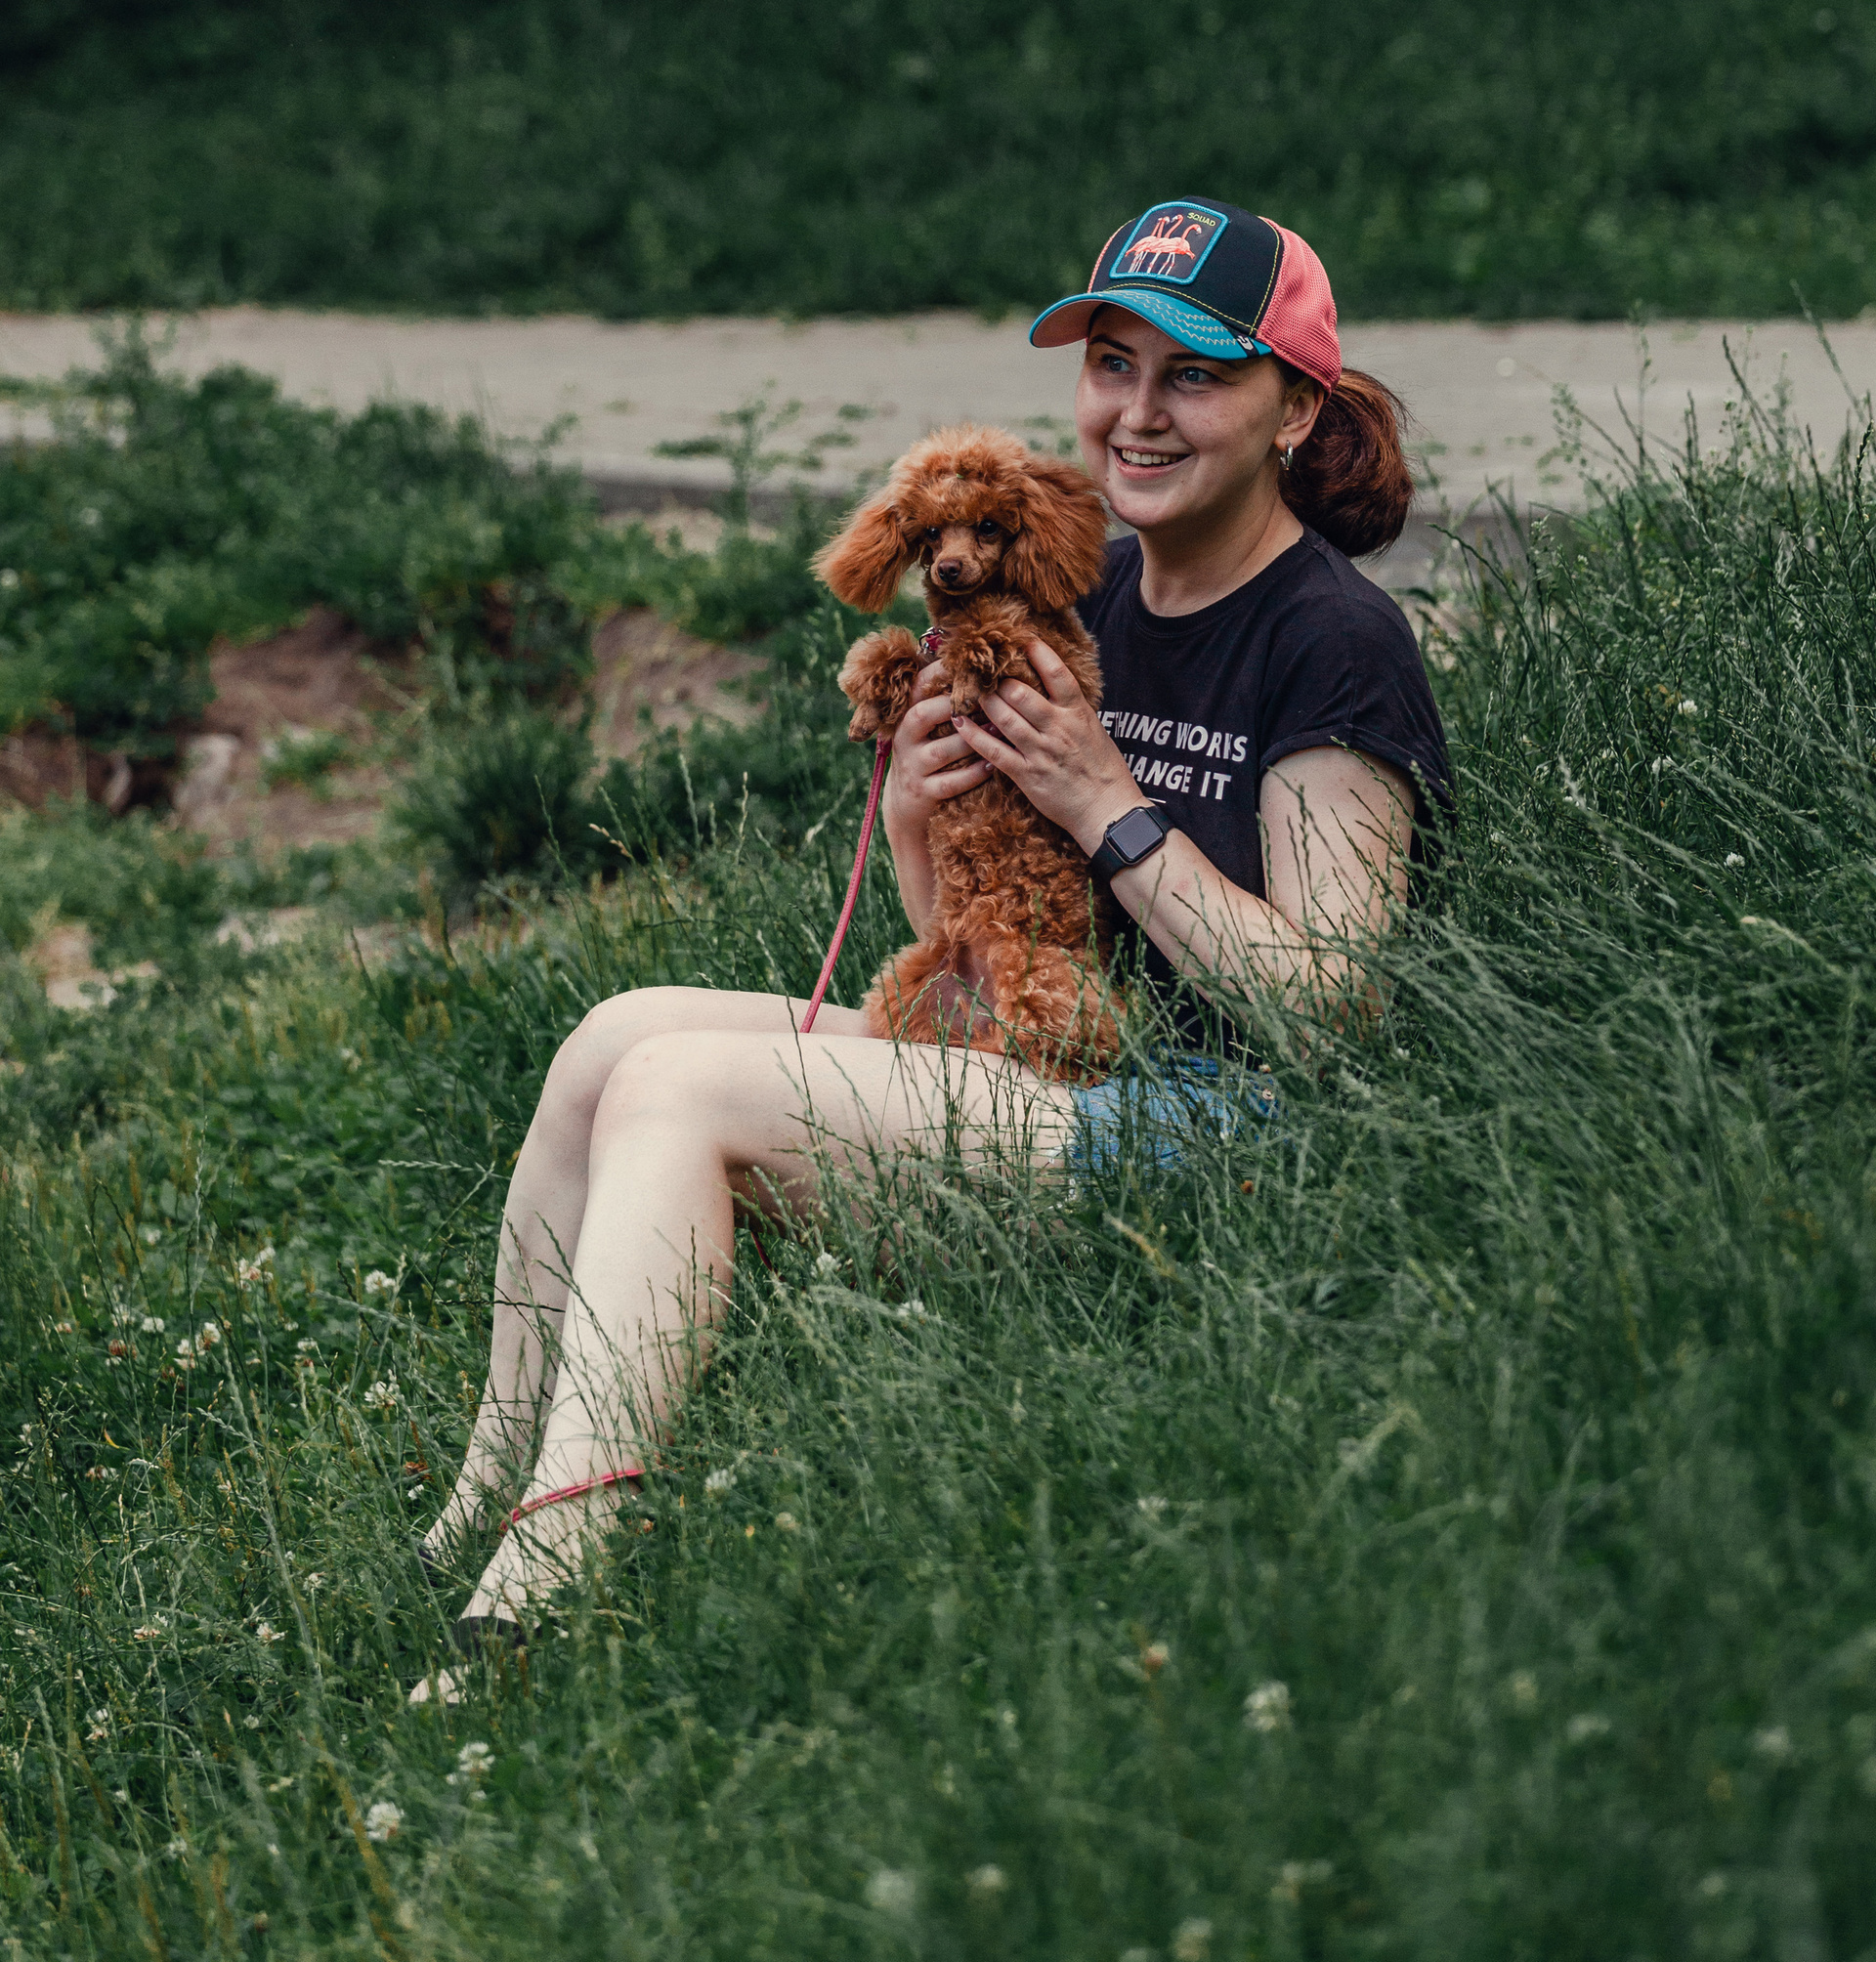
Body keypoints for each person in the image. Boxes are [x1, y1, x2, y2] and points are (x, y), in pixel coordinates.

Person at [428, 197, 1449, 1638]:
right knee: (617, 1037)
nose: (1137, 414)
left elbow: (1335, 1006)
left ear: (1294, 410)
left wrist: (1109, 806)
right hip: (1057, 1047)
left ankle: (544, 1578)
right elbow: (969, 919)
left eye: (1195, 376)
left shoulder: (1331, 639)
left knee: (681, 1088)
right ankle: (477, 1499)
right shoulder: (1082, 585)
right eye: (1112, 364)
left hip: (1223, 1124)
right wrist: (919, 806)